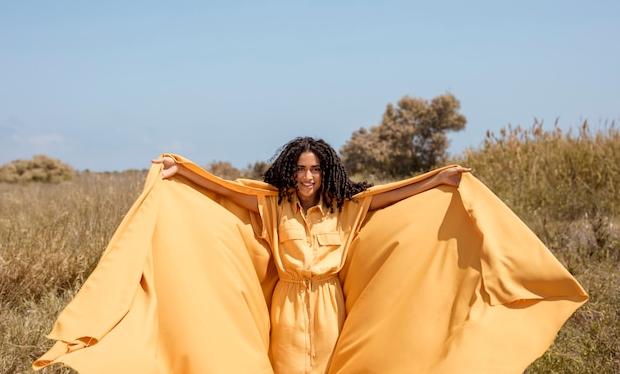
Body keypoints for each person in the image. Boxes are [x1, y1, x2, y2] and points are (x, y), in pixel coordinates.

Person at [152, 136, 470, 374]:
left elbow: (390, 195)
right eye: (301, 169)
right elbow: (225, 190)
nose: (308, 177)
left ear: (325, 172)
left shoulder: (346, 207)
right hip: (286, 305)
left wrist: (436, 180)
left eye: (315, 170)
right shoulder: (274, 206)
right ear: (290, 171)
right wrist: (181, 170)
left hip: (330, 305)